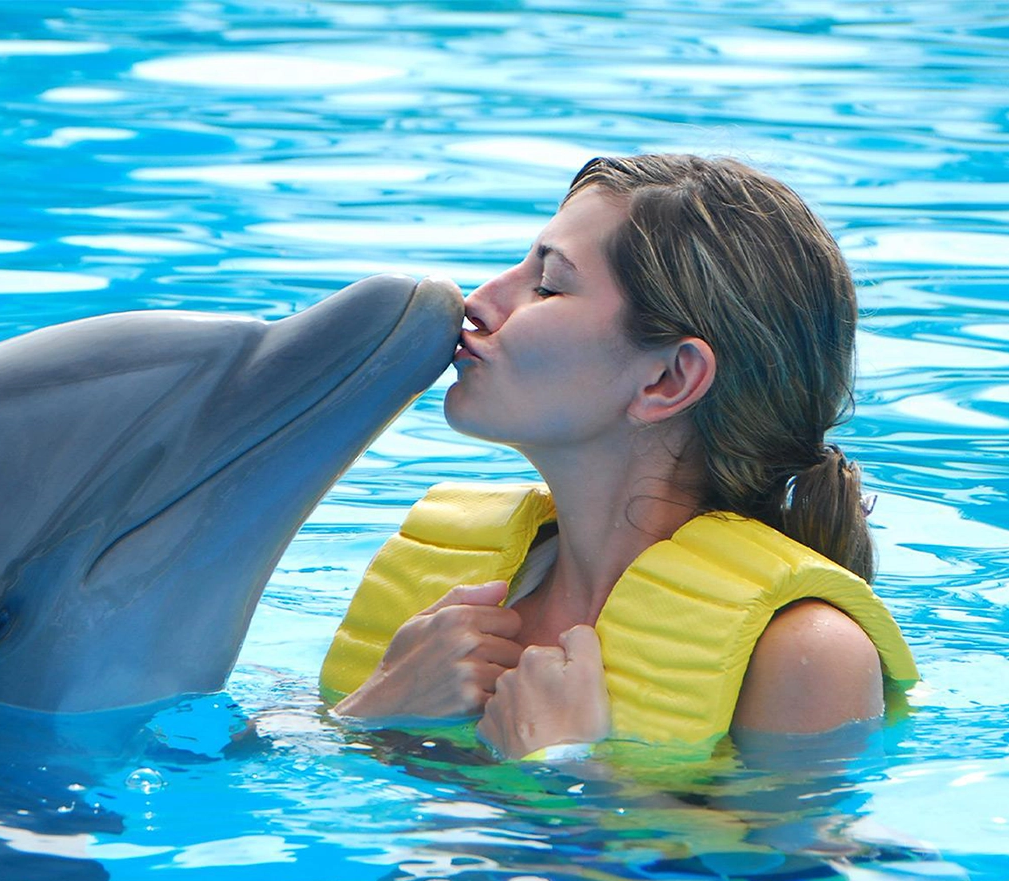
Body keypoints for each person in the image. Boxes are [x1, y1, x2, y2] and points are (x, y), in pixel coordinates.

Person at [320, 154, 917, 760]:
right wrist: (378, 706)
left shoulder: (803, 652)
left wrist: (567, 768)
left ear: (668, 379)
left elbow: (782, 858)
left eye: (549, 286)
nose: (477, 300)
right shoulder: (453, 598)